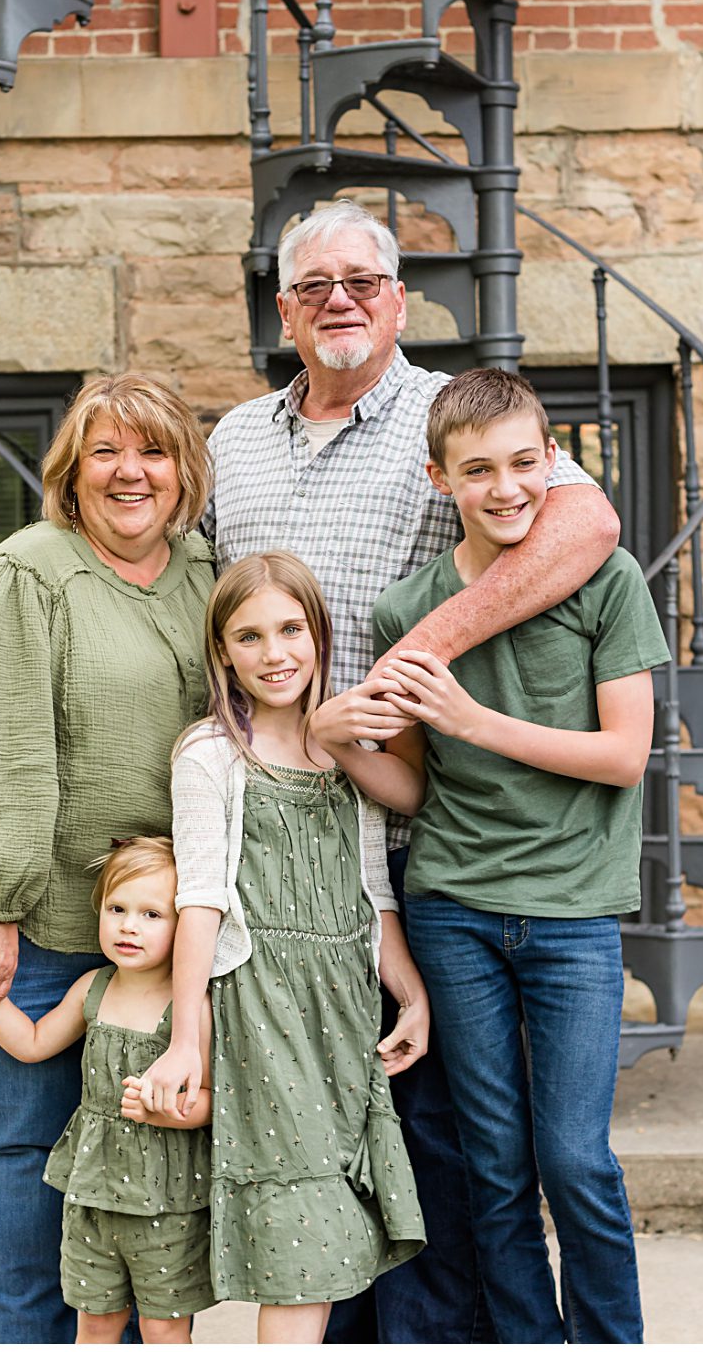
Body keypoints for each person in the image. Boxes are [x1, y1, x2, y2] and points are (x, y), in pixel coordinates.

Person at [202, 199, 621, 1343]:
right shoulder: (230, 437)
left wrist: (407, 662)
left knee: (437, 1117)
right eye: (312, 285)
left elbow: (582, 525)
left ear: (397, 297)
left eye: (362, 280)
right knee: (312, 1098)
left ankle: (439, 1330)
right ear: (281, 306)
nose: (339, 299)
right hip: (278, 822)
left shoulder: (450, 421)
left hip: (413, 811)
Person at [327, 369, 663, 1343]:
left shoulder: (607, 582)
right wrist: (335, 738)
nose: (503, 486)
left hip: (570, 914)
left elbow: (620, 758)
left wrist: (475, 717)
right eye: (476, 469)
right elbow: (416, 787)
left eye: (522, 462)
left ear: (551, 459)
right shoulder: (406, 611)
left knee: (573, 1157)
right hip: (451, 908)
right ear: (439, 478)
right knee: (491, 1161)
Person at [0, 373, 216, 1343]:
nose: (130, 471)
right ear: (69, 472)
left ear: (184, 471)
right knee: (23, 1146)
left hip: (134, 927)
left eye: (152, 450)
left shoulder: (200, 568)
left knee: (127, 1153)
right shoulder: (28, 569)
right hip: (20, 921)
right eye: (104, 451)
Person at [143, 552, 430, 1344]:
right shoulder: (211, 756)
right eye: (251, 635)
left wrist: (408, 990)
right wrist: (188, 1036)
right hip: (264, 1010)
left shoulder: (345, 750)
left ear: (319, 633)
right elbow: (199, 896)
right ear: (223, 652)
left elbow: (373, 887)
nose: (275, 653)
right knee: (307, 1236)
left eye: (291, 629)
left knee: (330, 1232)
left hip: (341, 1011)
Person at [0, 836, 215, 1345]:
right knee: (95, 1323)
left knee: (163, 1327)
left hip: (166, 1202)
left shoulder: (190, 1009)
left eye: (152, 915)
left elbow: (213, 1102)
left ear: (187, 927)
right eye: (117, 908)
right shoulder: (93, 987)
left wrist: (169, 1112)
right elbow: (31, 1043)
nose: (128, 926)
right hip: (91, 1194)